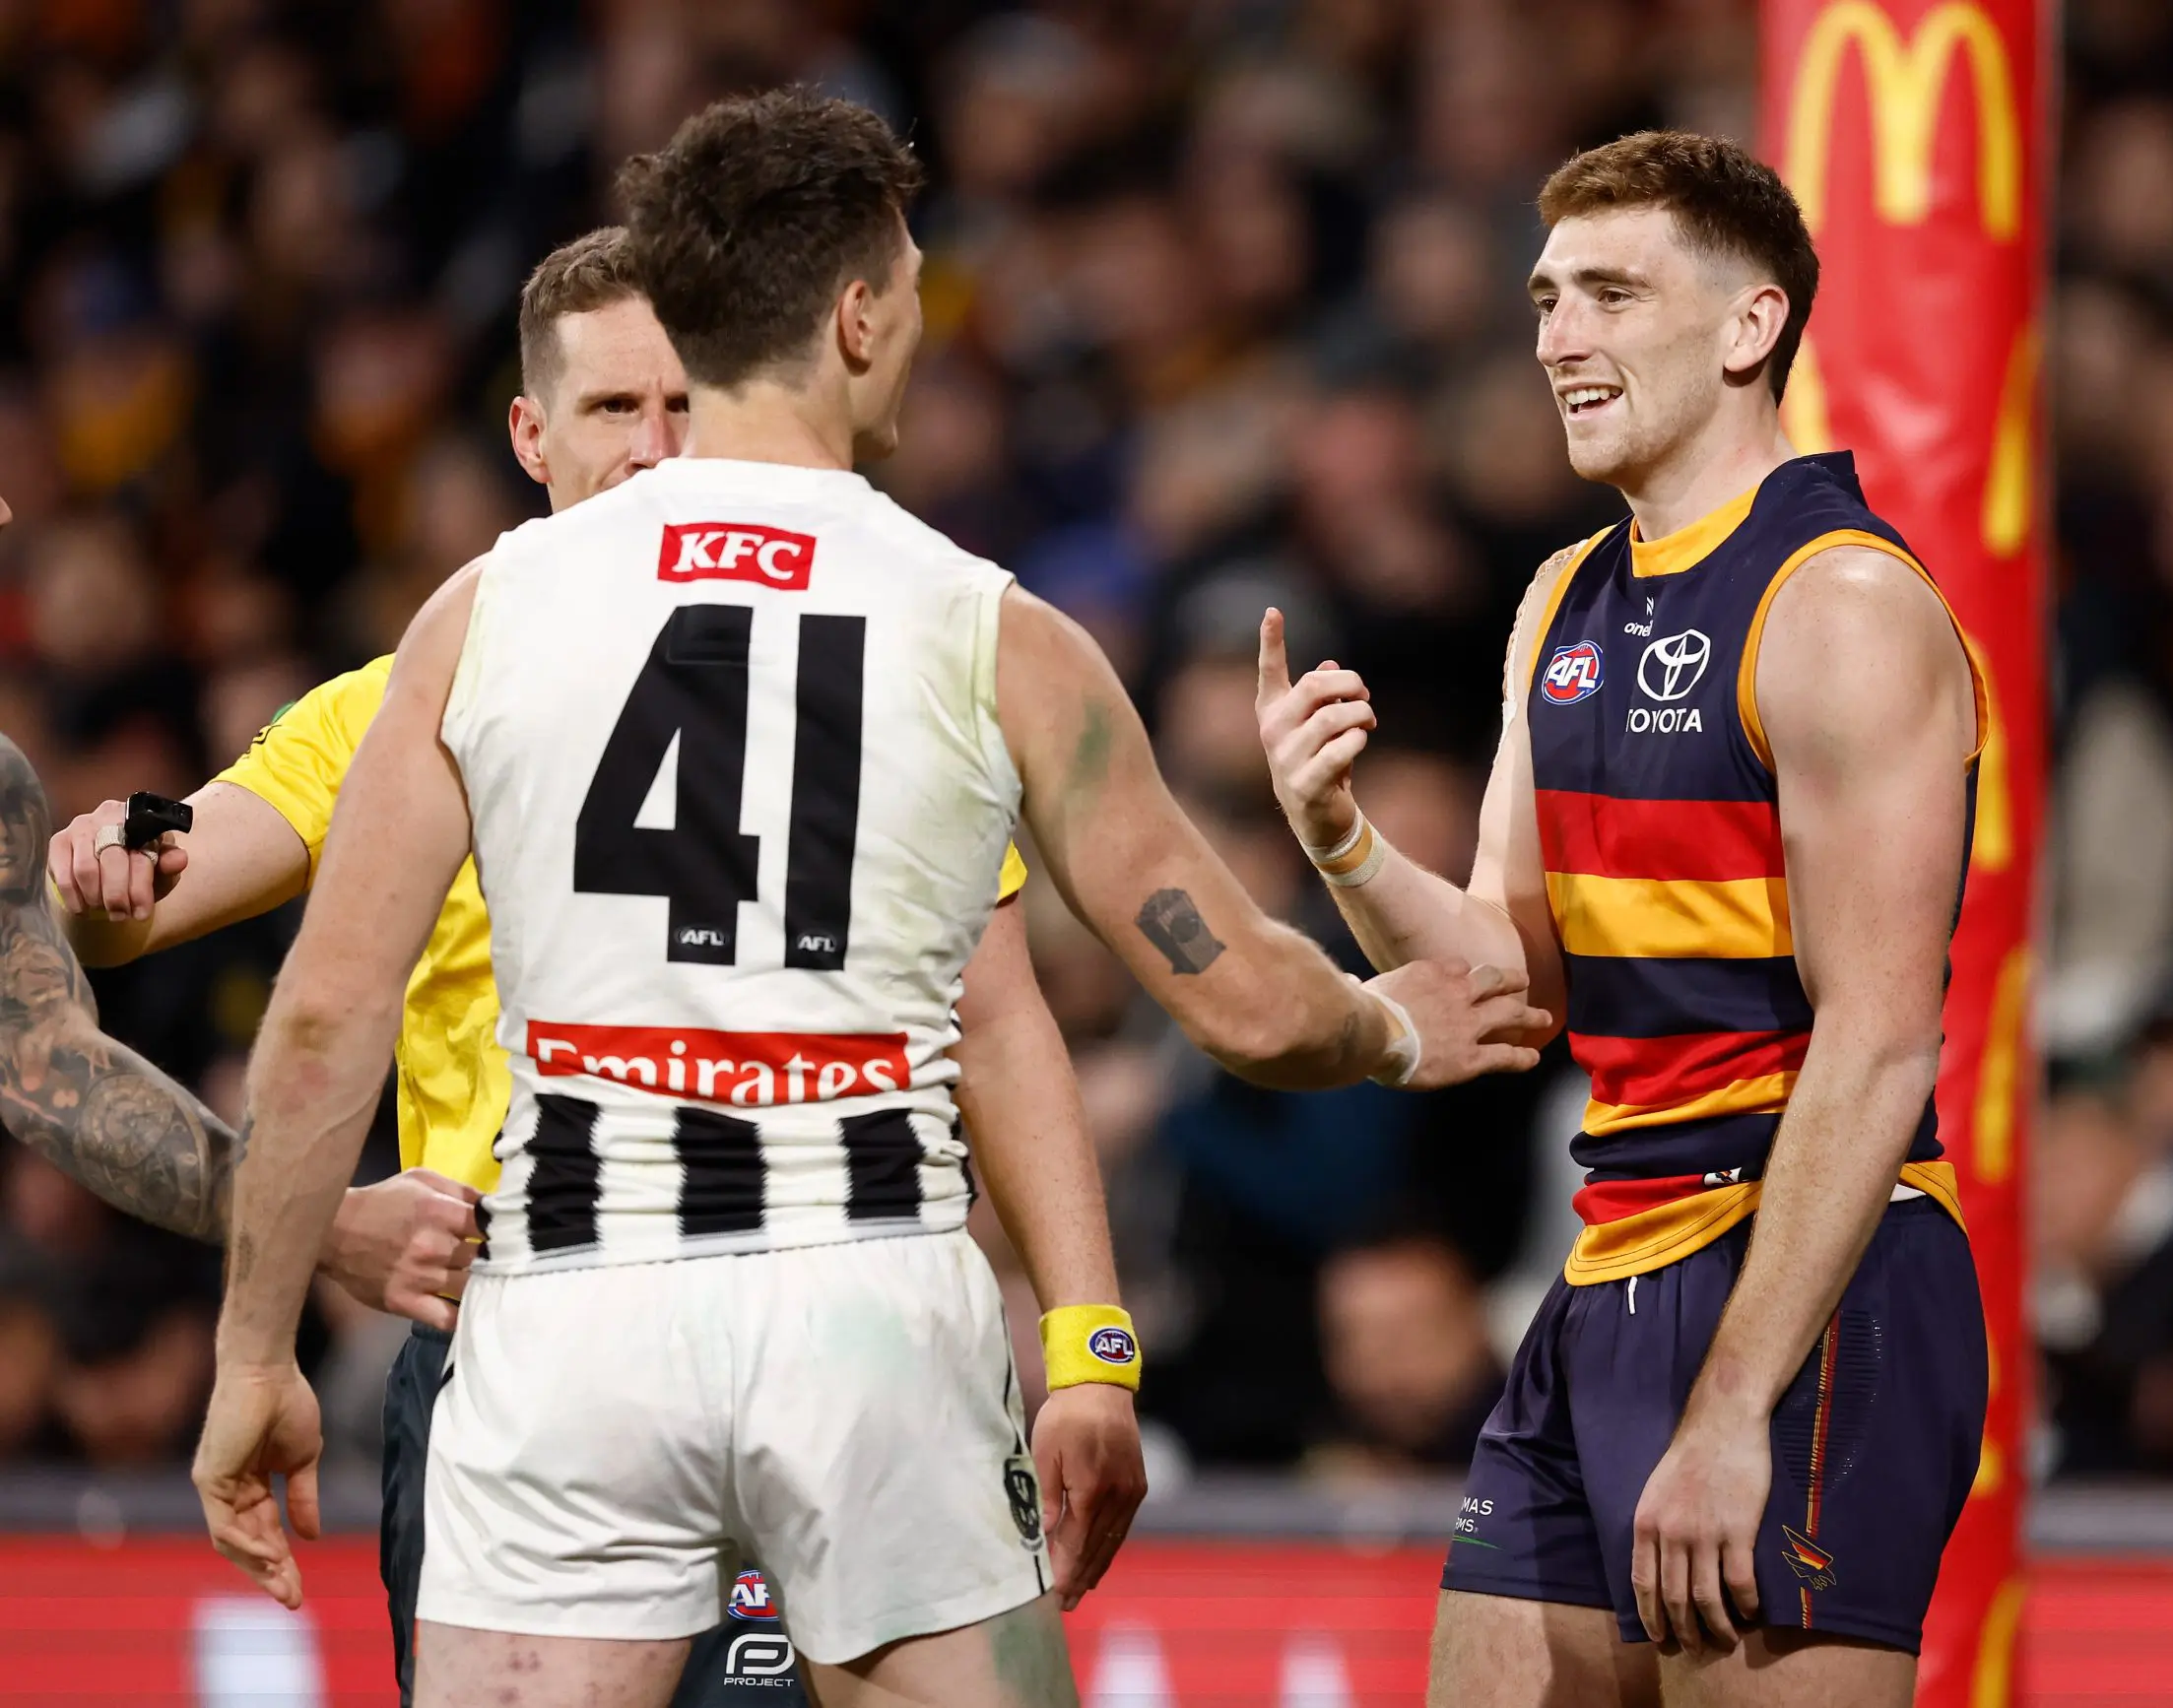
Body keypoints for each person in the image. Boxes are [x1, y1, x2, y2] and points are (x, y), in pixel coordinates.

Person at [192, 91, 1542, 1708]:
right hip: (869, 1302)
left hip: (568, 1313)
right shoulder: (989, 627)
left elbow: (328, 1014)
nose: (913, 324)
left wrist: (256, 1347)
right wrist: (1396, 1027)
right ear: (853, 317)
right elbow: (1238, 991)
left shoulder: (483, 613)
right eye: (906, 288)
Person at [42, 228, 1146, 1705]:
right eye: (616, 411)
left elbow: (1000, 1016)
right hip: (513, 1342)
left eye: (685, 405)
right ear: (532, 436)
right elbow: (168, 886)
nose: (657, 448)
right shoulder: (413, 691)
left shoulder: (860, 673)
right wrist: (104, 876)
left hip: (804, 1295)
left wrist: (1089, 1339)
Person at [1256, 132, 1988, 1707]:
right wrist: (1337, 838)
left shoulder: (1841, 607)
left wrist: (1735, 1402)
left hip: (1804, 1285)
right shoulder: (1564, 599)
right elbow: (1505, 985)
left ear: (1749, 326)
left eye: (1608, 293)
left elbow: (1879, 1040)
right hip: (1611, 1273)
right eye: (1543, 298)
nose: (1555, 338)